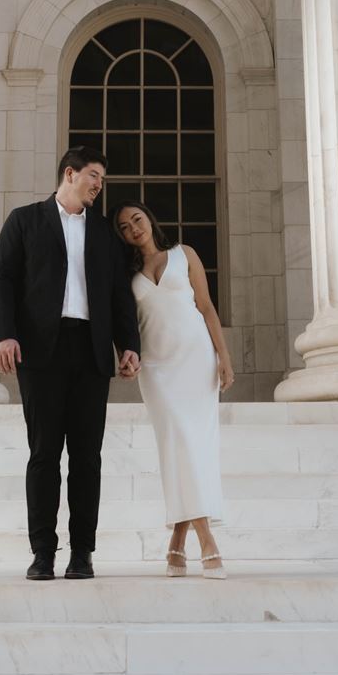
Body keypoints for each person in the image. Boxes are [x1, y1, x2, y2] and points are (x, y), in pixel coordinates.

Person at [0, 146, 141, 581]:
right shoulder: (25, 220)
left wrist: (127, 344)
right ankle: (42, 553)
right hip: (40, 351)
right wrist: (5, 333)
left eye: (102, 179)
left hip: (91, 352)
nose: (98, 184)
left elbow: (118, 294)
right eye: (94, 175)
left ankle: (83, 554)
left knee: (87, 457)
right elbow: (3, 277)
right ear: (70, 174)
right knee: (44, 455)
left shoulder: (106, 233)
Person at [116, 202, 231, 578]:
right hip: (158, 369)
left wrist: (224, 357)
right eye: (124, 227)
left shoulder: (185, 254)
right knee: (178, 445)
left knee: (194, 448)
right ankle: (207, 541)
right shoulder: (127, 274)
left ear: (149, 218)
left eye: (137, 219)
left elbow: (207, 307)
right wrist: (125, 356)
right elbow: (123, 324)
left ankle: (178, 546)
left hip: (196, 360)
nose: (133, 228)